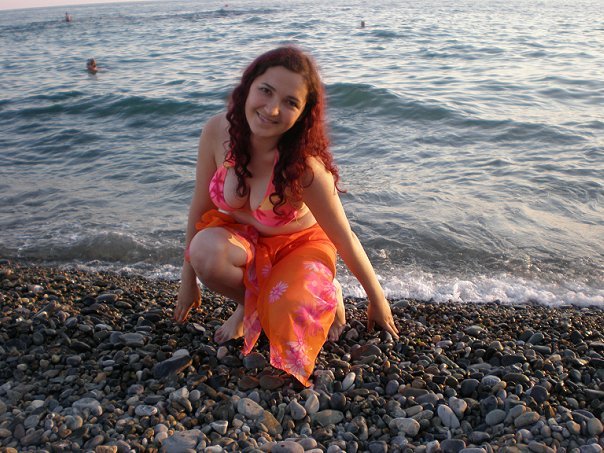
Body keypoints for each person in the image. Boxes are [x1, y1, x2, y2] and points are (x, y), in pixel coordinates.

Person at [174, 46, 398, 386]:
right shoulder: (218, 132)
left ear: (303, 113)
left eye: (290, 102)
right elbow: (200, 207)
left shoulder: (305, 169)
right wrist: (187, 282)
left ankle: (326, 291)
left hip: (299, 248)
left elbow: (345, 238)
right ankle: (249, 306)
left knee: (290, 315)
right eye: (266, 91)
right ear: (248, 86)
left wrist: (376, 300)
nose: (272, 109)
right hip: (243, 241)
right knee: (204, 251)